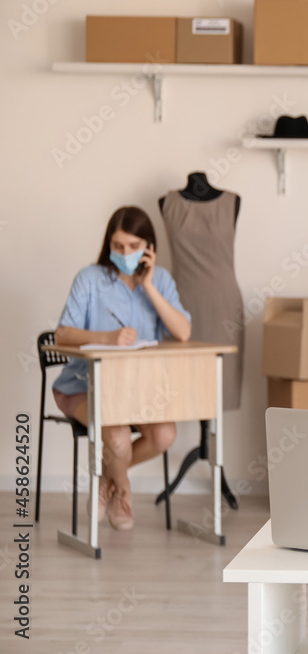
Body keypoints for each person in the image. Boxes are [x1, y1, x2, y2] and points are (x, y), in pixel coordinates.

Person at [52, 206, 192, 531]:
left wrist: (150, 287)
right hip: (82, 387)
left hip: (138, 391)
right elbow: (62, 334)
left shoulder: (162, 281)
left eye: (133, 246)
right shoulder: (89, 279)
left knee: (164, 434)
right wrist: (108, 337)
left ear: (149, 247)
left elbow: (183, 332)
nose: (125, 253)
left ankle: (106, 481)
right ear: (108, 245)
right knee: (117, 438)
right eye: (118, 246)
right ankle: (123, 489)